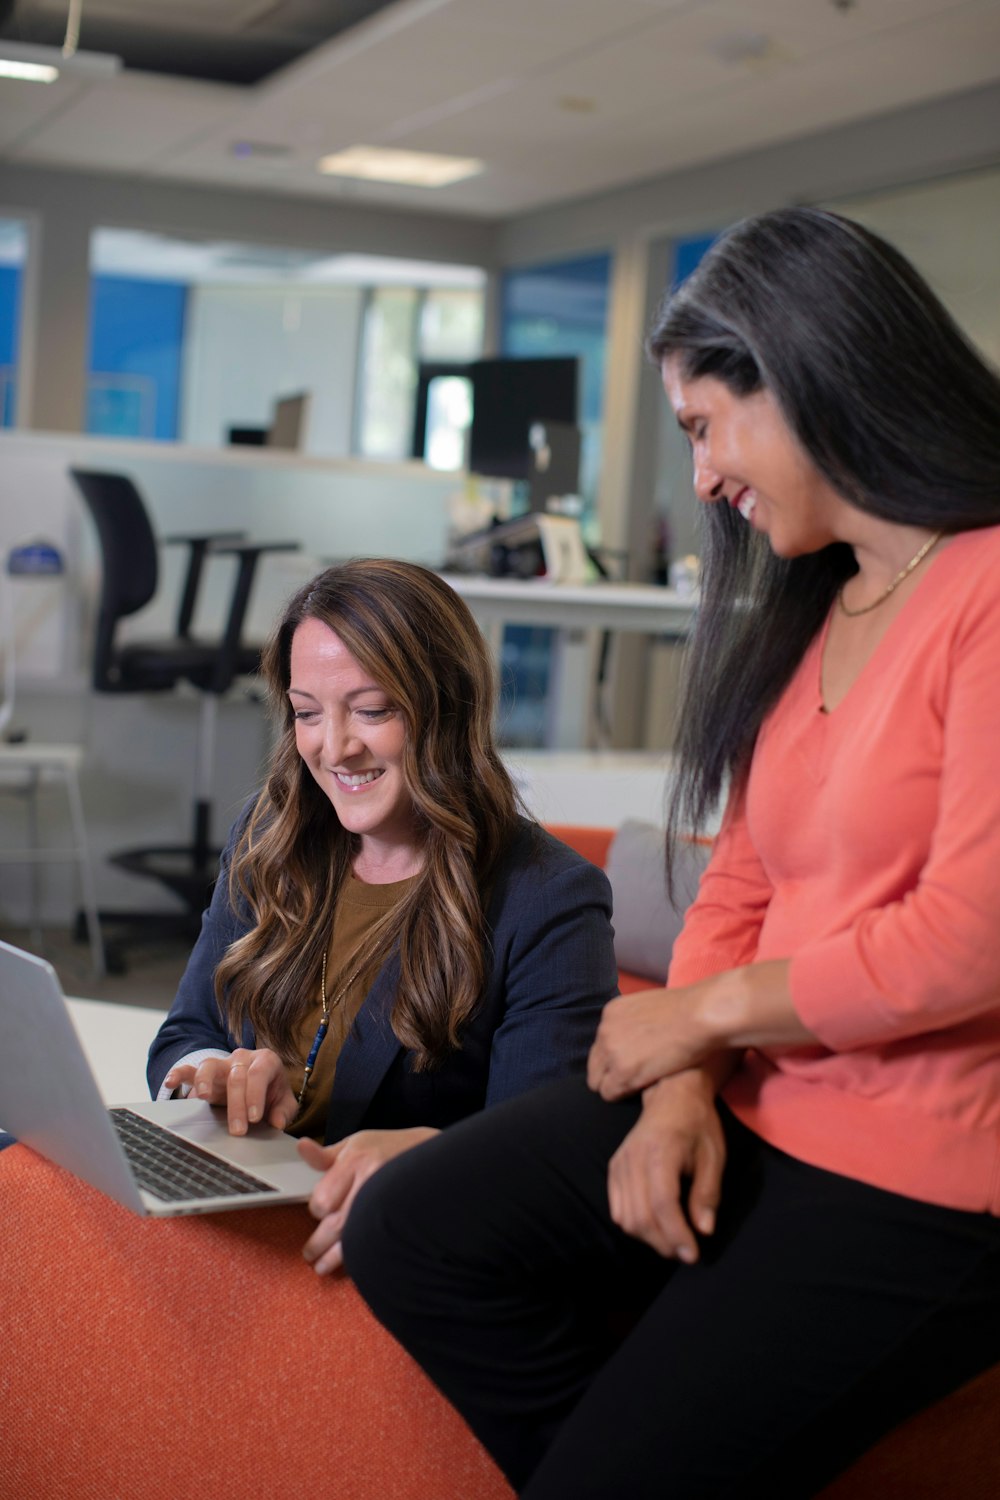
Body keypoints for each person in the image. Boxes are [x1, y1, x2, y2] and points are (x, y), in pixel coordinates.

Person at [341, 207, 1000, 1498]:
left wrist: (699, 1016)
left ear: (809, 374)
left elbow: (974, 931)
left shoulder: (988, 590)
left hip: (927, 1172)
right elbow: (742, 878)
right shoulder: (827, 597)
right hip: (760, 1105)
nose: (700, 478)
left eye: (704, 426)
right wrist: (684, 1082)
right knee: (414, 1226)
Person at [147, 558, 617, 1274]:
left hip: (370, 1246)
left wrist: (423, 1155)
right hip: (230, 1207)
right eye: (308, 712)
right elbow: (185, 1033)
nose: (334, 747)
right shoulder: (269, 834)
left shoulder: (547, 896)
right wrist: (211, 1073)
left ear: (446, 708)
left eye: (371, 710)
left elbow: (546, 1157)